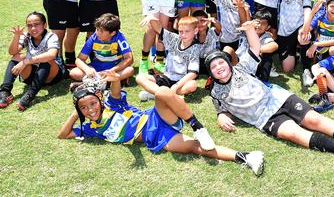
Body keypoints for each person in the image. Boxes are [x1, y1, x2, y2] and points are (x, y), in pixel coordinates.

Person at [206, 35, 334, 164]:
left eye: (221, 63)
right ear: (211, 73)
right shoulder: (215, 91)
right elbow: (221, 108)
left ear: (228, 63)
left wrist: (250, 29)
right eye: (213, 67)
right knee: (295, 133)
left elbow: (256, 46)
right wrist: (221, 115)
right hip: (264, 117)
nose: (219, 68)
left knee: (314, 119)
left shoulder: (241, 68)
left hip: (278, 98)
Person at [58, 72, 264, 175]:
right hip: (155, 137)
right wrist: (76, 112)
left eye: (92, 104)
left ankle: (197, 126)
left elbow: (115, 87)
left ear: (100, 100)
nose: (90, 110)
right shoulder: (90, 128)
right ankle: (247, 157)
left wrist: (115, 78)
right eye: (84, 108)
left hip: (155, 118)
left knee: (163, 92)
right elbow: (63, 134)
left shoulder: (112, 104)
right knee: (196, 148)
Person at [0, 12, 64, 110]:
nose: (33, 28)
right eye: (29, 26)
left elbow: (52, 55)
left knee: (47, 60)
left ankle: (30, 94)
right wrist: (16, 36)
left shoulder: (51, 36)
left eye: (36, 24)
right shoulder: (27, 36)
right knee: (17, 56)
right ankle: (5, 92)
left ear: (45, 25)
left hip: (52, 75)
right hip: (35, 75)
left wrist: (26, 62)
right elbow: (12, 52)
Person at [137, 16, 202, 100]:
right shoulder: (174, 39)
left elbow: (193, 73)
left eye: (187, 31)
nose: (183, 34)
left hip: (181, 81)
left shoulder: (195, 48)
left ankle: (157, 93)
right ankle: (167, 95)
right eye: (181, 31)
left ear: (195, 31)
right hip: (166, 77)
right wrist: (151, 18)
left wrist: (176, 85)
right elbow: (159, 29)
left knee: (192, 85)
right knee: (140, 77)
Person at [69, 13, 134, 83]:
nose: (97, 33)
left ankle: (97, 81)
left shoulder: (119, 38)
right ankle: (109, 81)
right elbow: (79, 59)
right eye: (97, 29)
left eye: (101, 31)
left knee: (129, 70)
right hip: (96, 68)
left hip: (114, 69)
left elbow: (129, 59)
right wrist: (87, 69)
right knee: (73, 73)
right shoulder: (93, 38)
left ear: (112, 33)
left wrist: (113, 70)